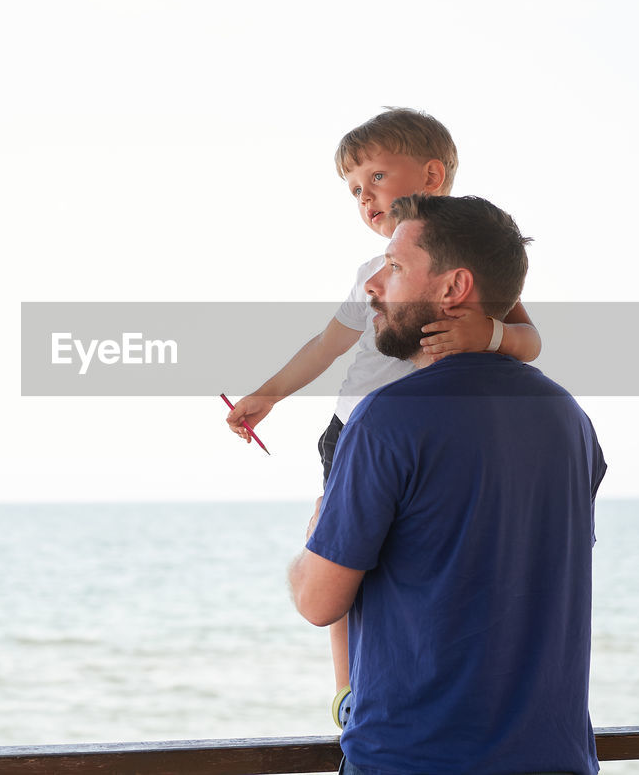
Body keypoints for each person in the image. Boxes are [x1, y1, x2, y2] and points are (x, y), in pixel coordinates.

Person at [225, 108, 543, 694]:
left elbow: (531, 342)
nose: (363, 197)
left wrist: (488, 336)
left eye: (374, 177)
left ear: (431, 175)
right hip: (353, 430)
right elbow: (327, 344)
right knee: (342, 559)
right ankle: (348, 688)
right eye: (352, 189)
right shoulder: (372, 273)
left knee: (404, 561)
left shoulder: (469, 258)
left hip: (425, 437)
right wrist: (268, 395)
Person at [289, 194, 606, 775]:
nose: (374, 286)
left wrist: (317, 531)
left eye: (396, 267)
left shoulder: (386, 418)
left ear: (453, 287)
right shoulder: (568, 417)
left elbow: (317, 601)